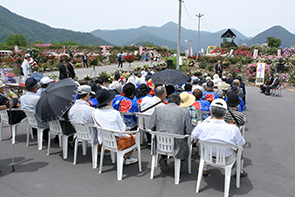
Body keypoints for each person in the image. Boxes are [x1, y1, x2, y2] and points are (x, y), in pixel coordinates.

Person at [191, 98, 247, 177]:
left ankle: (205, 168)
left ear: (210, 111)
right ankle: (240, 170)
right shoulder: (233, 129)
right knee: (239, 150)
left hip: (207, 156)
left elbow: (193, 136)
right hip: (226, 158)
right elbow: (241, 143)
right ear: (225, 113)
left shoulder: (202, 126)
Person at [149, 93, 193, 172]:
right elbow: (189, 130)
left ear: (168, 101)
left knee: (165, 135)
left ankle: (164, 157)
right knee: (182, 139)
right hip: (177, 144)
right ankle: (181, 161)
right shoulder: (185, 111)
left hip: (160, 143)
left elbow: (151, 126)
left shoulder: (158, 109)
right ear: (179, 102)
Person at [93, 89, 138, 165]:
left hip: (104, 140)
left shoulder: (94, 112)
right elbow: (123, 130)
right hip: (118, 141)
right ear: (108, 102)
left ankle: (124, 157)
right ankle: (127, 157)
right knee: (136, 136)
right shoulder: (115, 113)